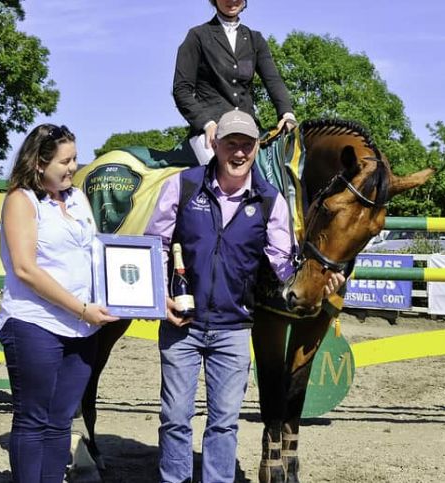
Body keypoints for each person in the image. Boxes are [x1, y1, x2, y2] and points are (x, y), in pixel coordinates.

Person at [144, 110, 344, 482]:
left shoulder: (270, 201)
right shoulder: (182, 186)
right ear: (215, 145)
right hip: (181, 325)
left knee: (223, 424)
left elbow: (286, 267)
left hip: (234, 330)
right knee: (174, 420)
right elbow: (154, 246)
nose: (239, 153)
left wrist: (319, 284)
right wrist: (161, 297)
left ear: (256, 148)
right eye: (231, 143)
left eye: (247, 145)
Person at [0, 123, 119, 482]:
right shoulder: (21, 200)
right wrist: (80, 308)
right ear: (38, 163)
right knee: (33, 419)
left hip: (82, 328)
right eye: (65, 161)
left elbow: (96, 255)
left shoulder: (78, 199)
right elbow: (25, 269)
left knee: (61, 420)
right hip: (35, 323)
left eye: (75, 158)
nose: (73, 167)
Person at [173, 0, 297, 165]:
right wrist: (206, 123)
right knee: (221, 176)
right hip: (212, 129)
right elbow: (182, 89)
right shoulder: (197, 36)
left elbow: (273, 80)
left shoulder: (255, 39)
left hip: (248, 126)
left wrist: (287, 114)